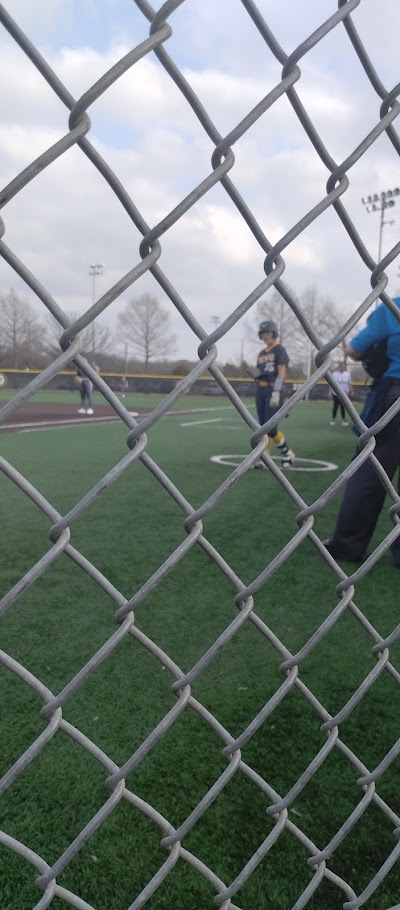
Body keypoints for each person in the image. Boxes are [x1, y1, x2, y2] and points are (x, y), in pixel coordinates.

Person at [323, 295, 400, 568]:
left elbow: (354, 349)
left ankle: (348, 544)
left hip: (395, 392)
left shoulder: (393, 306)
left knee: (370, 470)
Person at [252, 320, 295, 468]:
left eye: (268, 332)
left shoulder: (279, 350)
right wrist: (255, 373)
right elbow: (260, 371)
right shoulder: (261, 353)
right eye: (263, 333)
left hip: (273, 390)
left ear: (274, 333)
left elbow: (281, 373)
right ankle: (265, 457)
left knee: (270, 428)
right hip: (261, 390)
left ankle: (287, 453)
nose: (266, 335)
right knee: (262, 427)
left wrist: (277, 391)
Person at [329, 361, 352, 426]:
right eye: (342, 367)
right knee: (335, 406)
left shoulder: (347, 374)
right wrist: (330, 392)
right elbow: (331, 383)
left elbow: (349, 383)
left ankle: (343, 420)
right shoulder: (335, 374)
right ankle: (333, 420)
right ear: (339, 367)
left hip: (345, 394)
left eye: (344, 367)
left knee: (343, 407)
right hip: (336, 393)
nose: (343, 368)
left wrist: (351, 390)